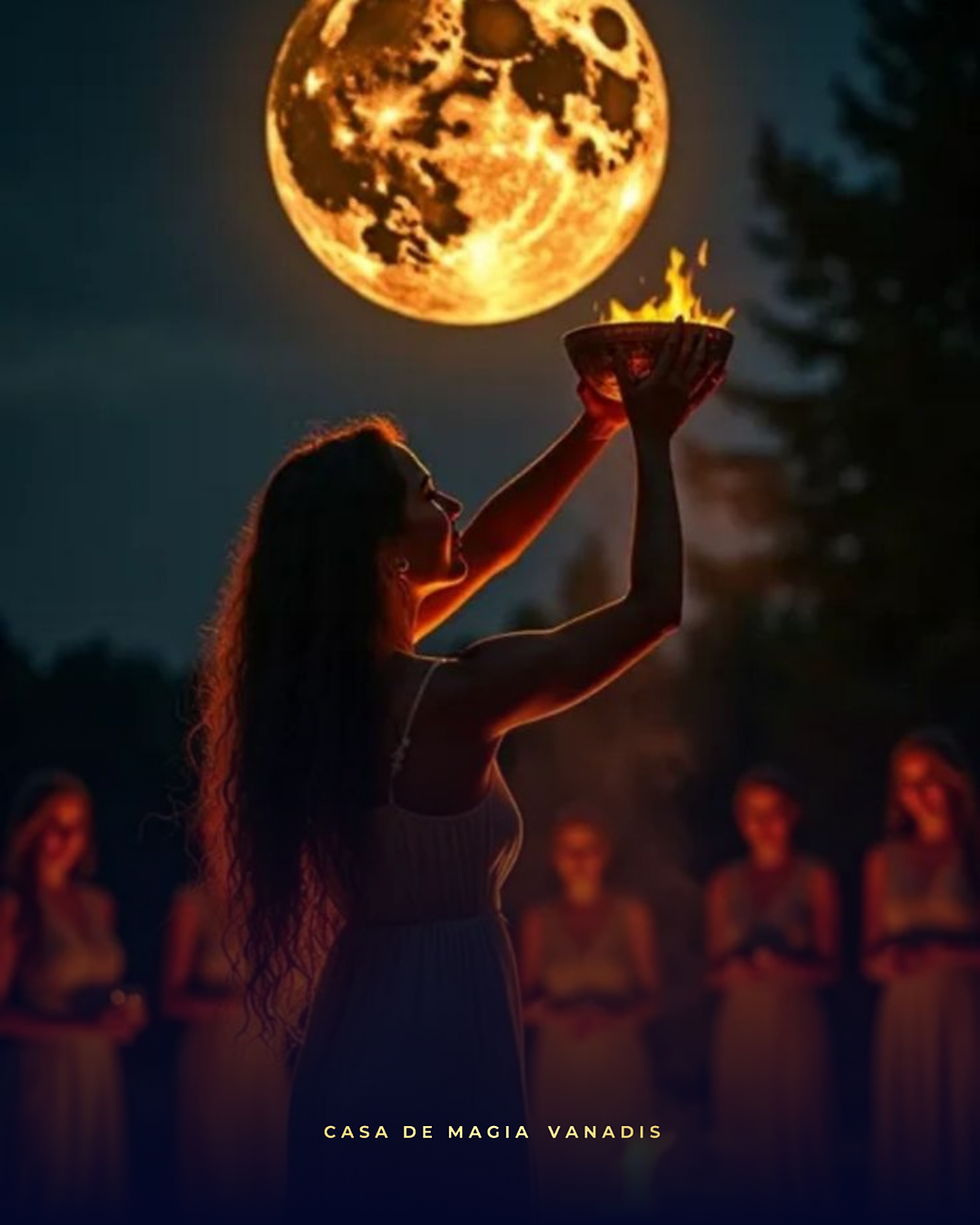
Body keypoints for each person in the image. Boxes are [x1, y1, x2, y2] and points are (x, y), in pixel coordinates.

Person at [195, 320, 724, 1222]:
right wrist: (649, 433)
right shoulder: (450, 698)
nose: (451, 507)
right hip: (437, 1035)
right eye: (426, 493)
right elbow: (653, 608)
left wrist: (591, 427)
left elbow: (491, 544)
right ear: (383, 548)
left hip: (362, 1017)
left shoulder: (325, 688)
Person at [0, 770, 146, 1222]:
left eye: (77, 825)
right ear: (30, 830)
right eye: (54, 825)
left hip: (97, 1071)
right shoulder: (15, 908)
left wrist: (127, 1005)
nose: (66, 837)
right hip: (45, 1074)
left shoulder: (97, 903)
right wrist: (82, 1026)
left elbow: (104, 976)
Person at [705, 766, 839, 1220]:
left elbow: (830, 966)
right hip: (741, 1026)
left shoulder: (815, 877)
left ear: (792, 815)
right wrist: (736, 966)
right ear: (740, 820)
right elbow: (713, 972)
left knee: (797, 1131)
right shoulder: (725, 884)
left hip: (795, 1021)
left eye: (773, 812)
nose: (763, 824)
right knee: (746, 1138)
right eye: (752, 814)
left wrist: (788, 964)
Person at [519, 809, 659, 1219]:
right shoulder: (538, 920)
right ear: (554, 857)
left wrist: (609, 1016)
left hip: (618, 1062)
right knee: (564, 1178)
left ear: (605, 854)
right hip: (561, 1066)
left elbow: (652, 998)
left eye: (588, 849)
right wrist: (558, 1015)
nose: (579, 860)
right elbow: (524, 1006)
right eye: (569, 850)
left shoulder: (631, 914)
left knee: (622, 1181)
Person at [863, 728, 980, 1218]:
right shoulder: (883, 861)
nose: (918, 793)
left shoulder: (972, 852)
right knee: (911, 1142)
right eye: (907, 783)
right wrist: (889, 961)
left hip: (963, 1009)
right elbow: (869, 955)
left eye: (929, 779)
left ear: (954, 781)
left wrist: (944, 952)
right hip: (905, 1014)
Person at [161, 877, 290, 1220]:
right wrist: (232, 1005)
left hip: (265, 1053)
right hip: (217, 1050)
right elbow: (171, 998)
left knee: (269, 1165)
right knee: (220, 1166)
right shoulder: (193, 901)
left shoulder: (269, 896)